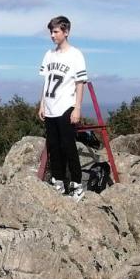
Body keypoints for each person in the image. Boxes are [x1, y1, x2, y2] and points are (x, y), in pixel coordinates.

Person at [38, 15, 88, 201]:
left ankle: (77, 184)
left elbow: (80, 83)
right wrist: (42, 104)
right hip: (50, 107)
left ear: (66, 32)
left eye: (56, 31)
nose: (52, 35)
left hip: (66, 106)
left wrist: (77, 108)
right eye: (51, 31)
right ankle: (58, 181)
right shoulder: (49, 55)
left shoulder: (75, 54)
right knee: (53, 146)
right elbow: (46, 82)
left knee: (68, 146)